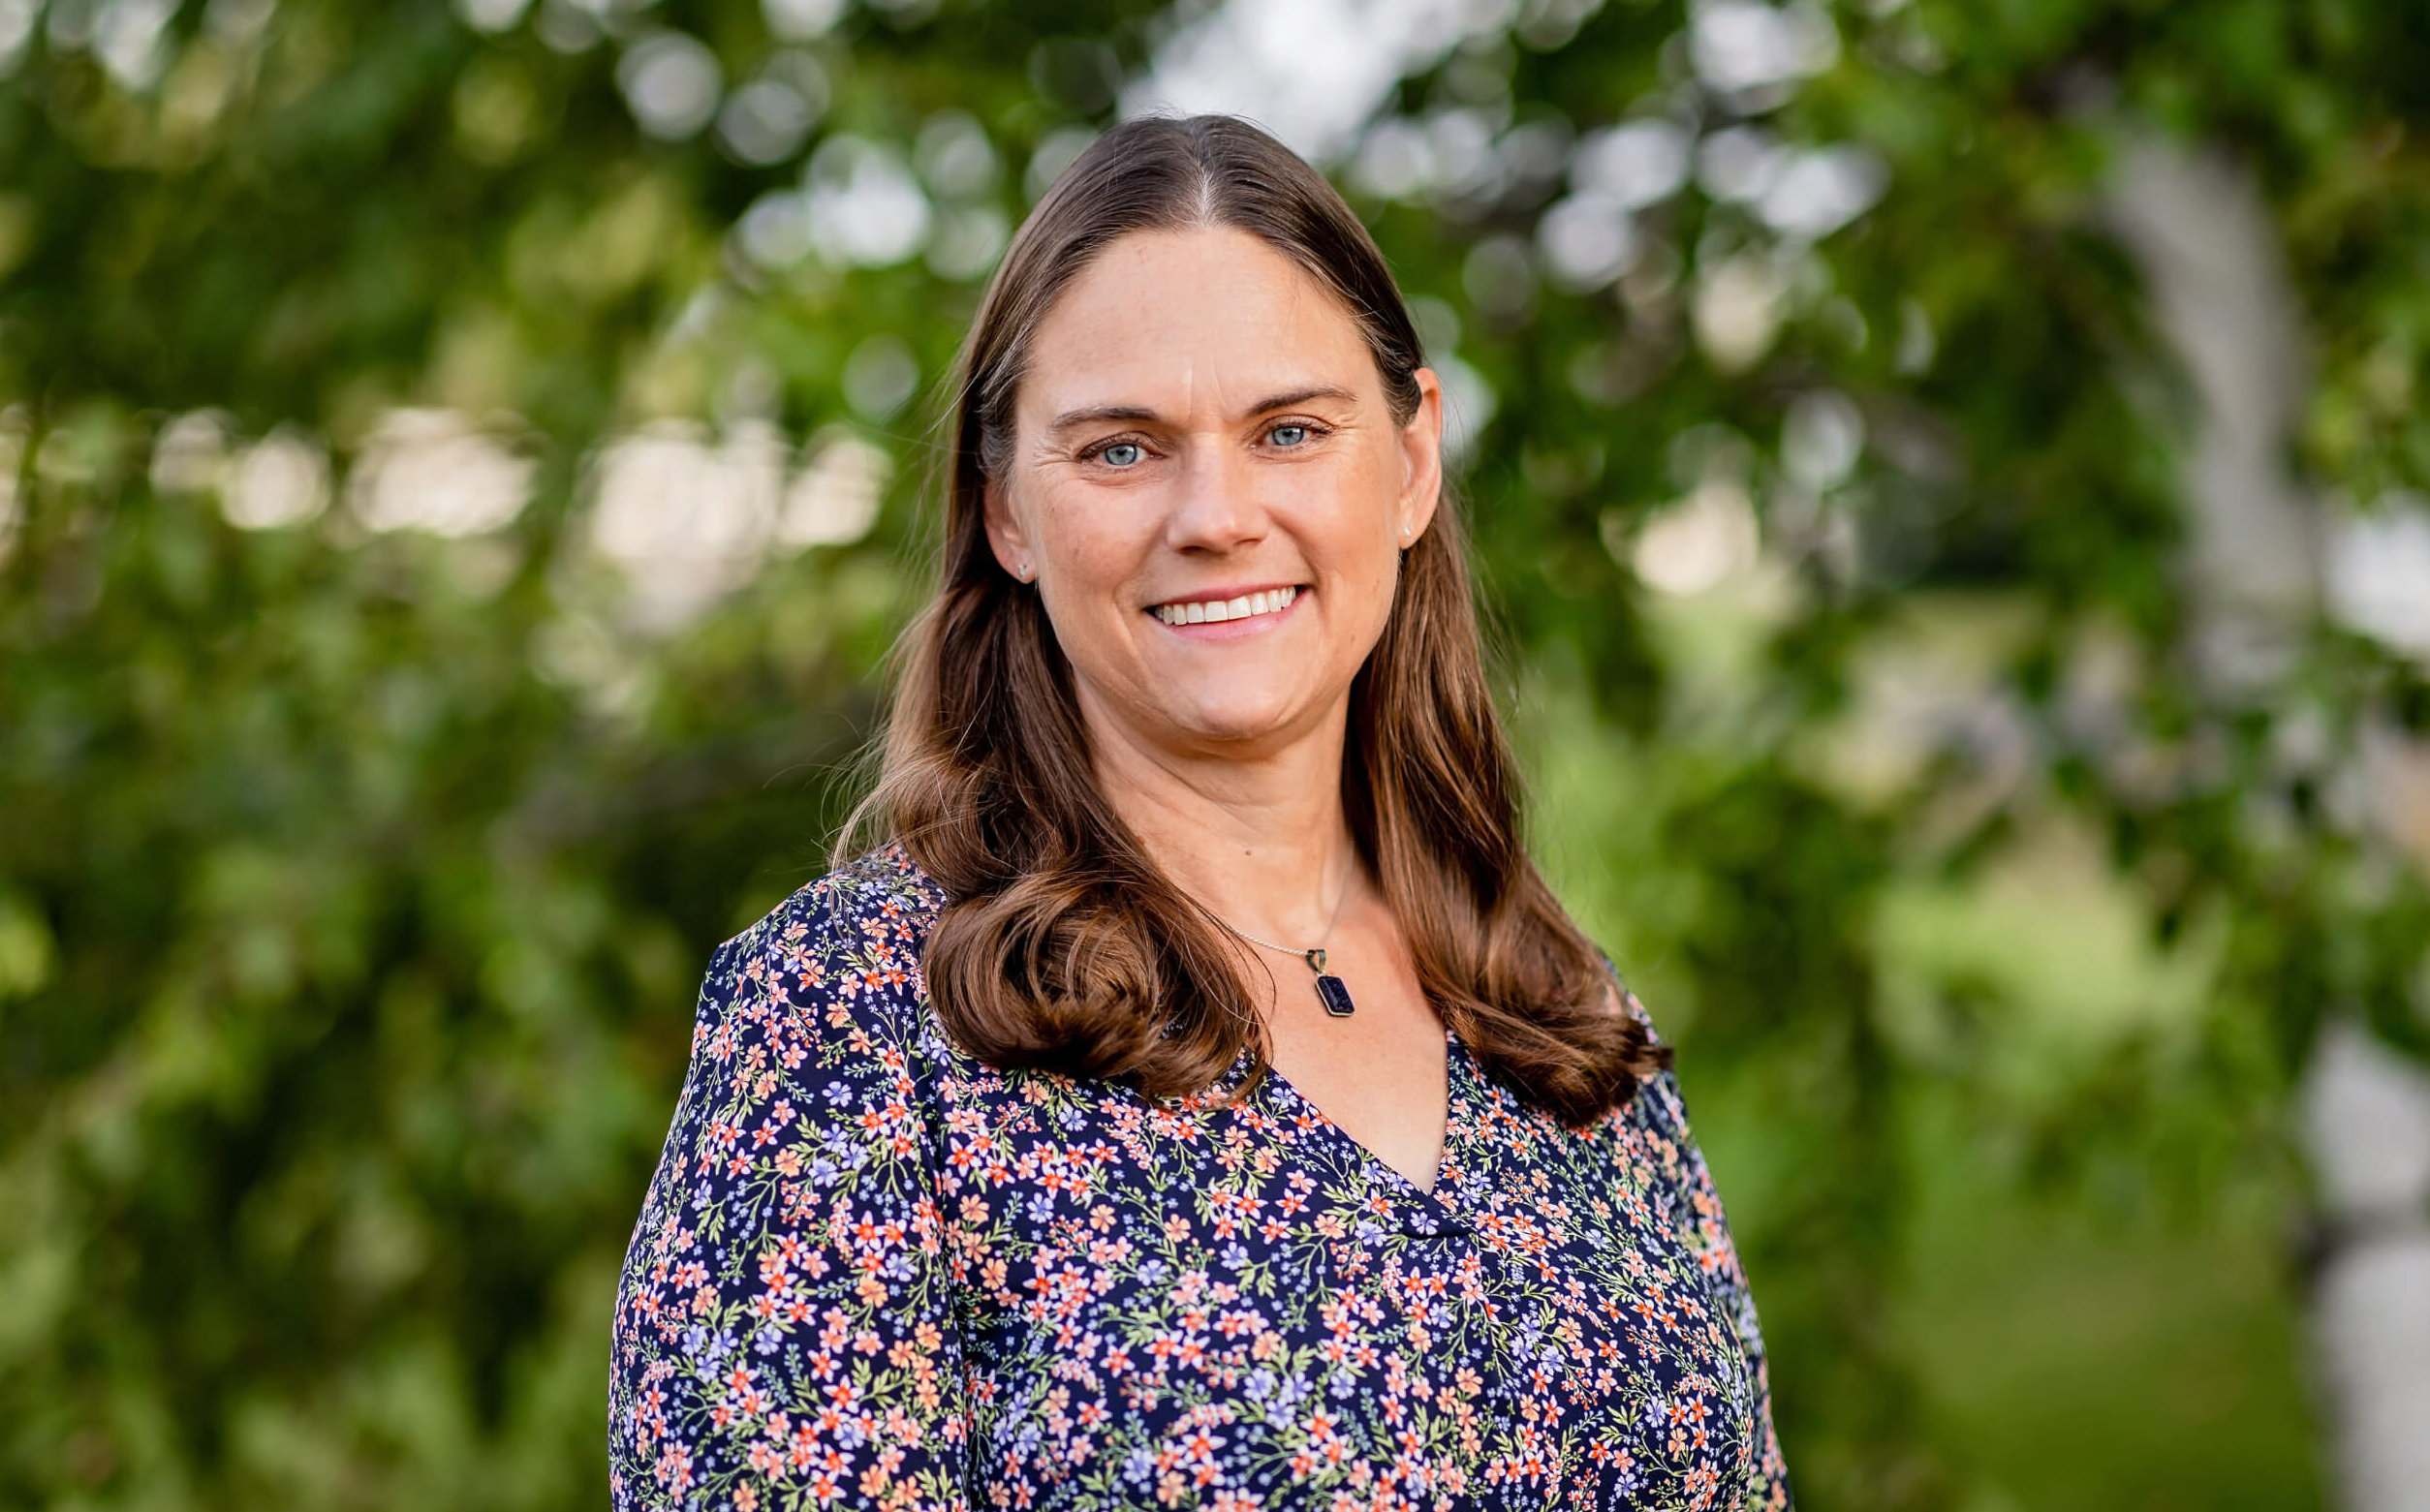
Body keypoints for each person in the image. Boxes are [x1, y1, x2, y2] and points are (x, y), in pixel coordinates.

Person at [609, 113, 1791, 1512]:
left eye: (1290, 430)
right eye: (1121, 450)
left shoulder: (1561, 1017)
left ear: (1410, 465)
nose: (1216, 514)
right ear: (1006, 513)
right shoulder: (848, 1025)